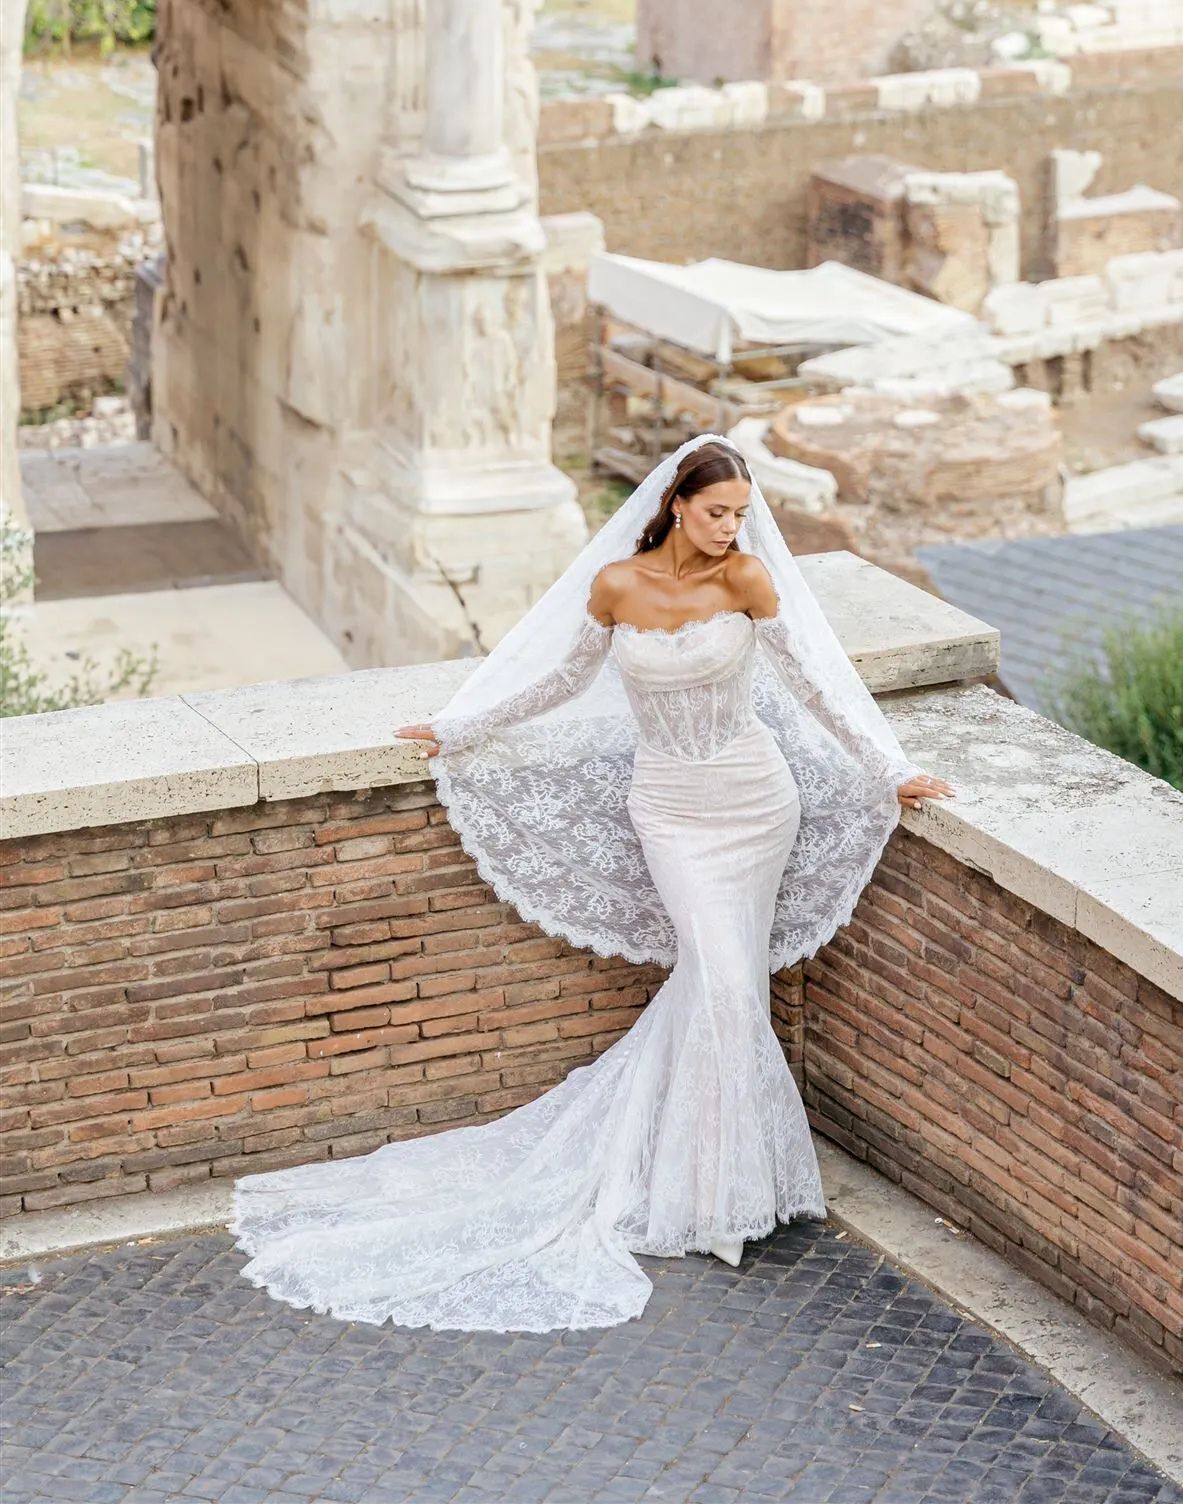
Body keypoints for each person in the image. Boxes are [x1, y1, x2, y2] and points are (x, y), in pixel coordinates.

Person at [231, 434, 953, 1333]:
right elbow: (561, 679)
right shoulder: (616, 584)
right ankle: (709, 1185)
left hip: (758, 801)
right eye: (718, 512)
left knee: (726, 988)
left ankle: (718, 1193)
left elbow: (816, 687)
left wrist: (890, 769)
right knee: (724, 983)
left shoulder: (750, 582)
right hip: (671, 810)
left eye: (741, 513)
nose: (732, 528)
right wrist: (459, 727)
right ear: (676, 505)